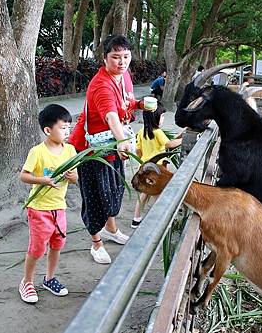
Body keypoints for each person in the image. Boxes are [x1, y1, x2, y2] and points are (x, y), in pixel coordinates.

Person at [69, 35, 154, 264]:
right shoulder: (100, 84)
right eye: (115, 57)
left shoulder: (124, 76)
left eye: (126, 57)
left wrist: (139, 104)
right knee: (96, 196)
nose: (122, 62)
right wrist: (121, 140)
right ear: (105, 58)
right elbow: (110, 114)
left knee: (115, 191)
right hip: (93, 150)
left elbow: (124, 104)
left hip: (114, 148)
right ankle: (96, 243)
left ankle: (111, 229)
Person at [18, 104, 78, 304]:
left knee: (57, 244)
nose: (67, 131)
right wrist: (43, 180)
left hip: (59, 208)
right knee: (37, 249)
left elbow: (76, 177)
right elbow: (24, 176)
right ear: (47, 130)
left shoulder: (70, 150)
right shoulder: (38, 152)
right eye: (63, 128)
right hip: (39, 209)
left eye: (69, 127)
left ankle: (49, 278)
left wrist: (71, 177)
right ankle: (27, 282)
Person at [131, 102, 182, 228]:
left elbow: (138, 151)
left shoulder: (142, 131)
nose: (163, 118)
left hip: (145, 167)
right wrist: (182, 139)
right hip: (157, 170)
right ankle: (159, 220)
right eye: (162, 116)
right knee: (158, 194)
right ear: (155, 117)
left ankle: (136, 219)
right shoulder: (157, 132)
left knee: (145, 194)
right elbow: (169, 144)